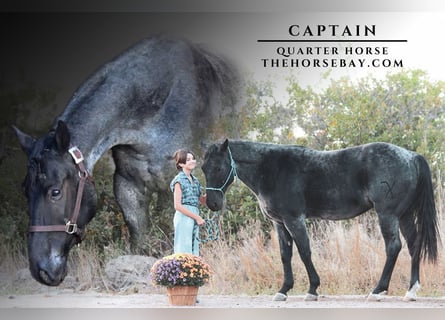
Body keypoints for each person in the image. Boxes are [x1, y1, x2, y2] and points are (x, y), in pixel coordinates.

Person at [170, 149, 207, 255]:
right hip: (183, 216)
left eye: (193, 159)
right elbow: (177, 205)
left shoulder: (195, 180)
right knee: (184, 249)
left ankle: (193, 270)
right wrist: (197, 217)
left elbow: (201, 201)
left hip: (195, 214)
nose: (192, 161)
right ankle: (182, 270)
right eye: (188, 160)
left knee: (194, 248)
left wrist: (214, 188)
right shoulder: (178, 181)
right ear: (181, 164)